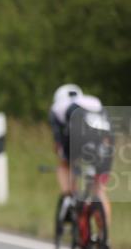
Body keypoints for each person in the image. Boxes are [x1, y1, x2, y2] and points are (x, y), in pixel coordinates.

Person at [49, 84, 114, 228]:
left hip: (79, 138)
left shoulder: (56, 108)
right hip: (106, 140)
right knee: (99, 190)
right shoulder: (93, 101)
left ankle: (69, 194)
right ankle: (104, 238)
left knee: (65, 165)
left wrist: (64, 157)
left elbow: (58, 141)